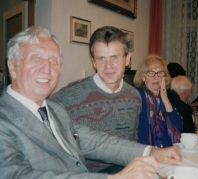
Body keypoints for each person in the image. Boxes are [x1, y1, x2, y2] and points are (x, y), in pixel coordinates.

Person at [0, 26, 182, 179]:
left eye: (53, 61)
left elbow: (95, 142)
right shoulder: (4, 119)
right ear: (12, 66)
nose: (46, 69)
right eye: (35, 58)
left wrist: (152, 152)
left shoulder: (53, 110)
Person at [50, 26, 142, 172]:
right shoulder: (66, 98)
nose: (108, 66)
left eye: (115, 57)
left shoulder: (134, 96)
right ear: (93, 62)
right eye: (101, 59)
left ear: (127, 59)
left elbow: (133, 140)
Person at [133, 54, 182, 148]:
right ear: (143, 77)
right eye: (151, 73)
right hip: (148, 153)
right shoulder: (138, 96)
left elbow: (178, 128)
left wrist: (165, 98)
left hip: (169, 151)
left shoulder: (167, 97)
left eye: (160, 72)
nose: (156, 77)